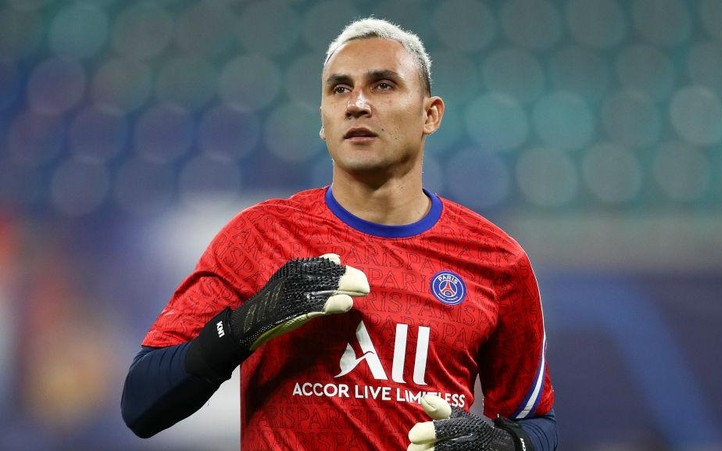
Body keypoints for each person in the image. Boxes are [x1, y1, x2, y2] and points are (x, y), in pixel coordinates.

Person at [121, 17, 557, 450]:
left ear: (430, 114)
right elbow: (141, 403)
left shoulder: (497, 260)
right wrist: (242, 327)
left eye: (383, 85)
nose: (357, 104)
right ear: (324, 120)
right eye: (340, 88)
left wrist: (504, 446)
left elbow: (536, 423)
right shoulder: (259, 236)